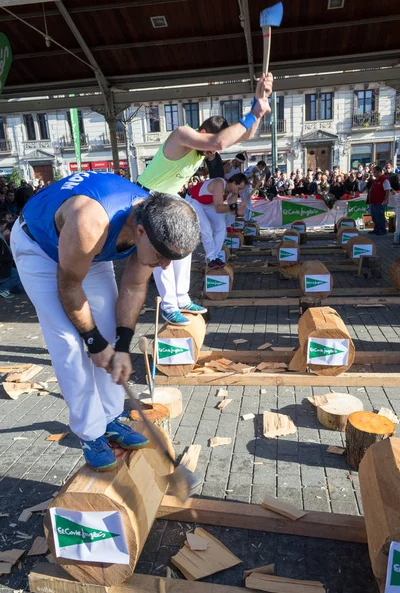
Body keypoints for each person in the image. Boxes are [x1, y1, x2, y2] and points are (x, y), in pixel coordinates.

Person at [11, 171, 201, 470]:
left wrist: (121, 345)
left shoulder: (151, 226)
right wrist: (93, 341)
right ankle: (90, 433)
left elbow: (134, 286)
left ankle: (111, 417)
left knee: (111, 333)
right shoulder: (90, 222)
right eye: (163, 256)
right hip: (40, 246)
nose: (165, 265)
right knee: (70, 346)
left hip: (90, 249)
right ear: (140, 232)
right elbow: (69, 287)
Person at [137, 73, 273, 325]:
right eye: (210, 149)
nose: (213, 154)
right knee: (162, 252)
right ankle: (168, 305)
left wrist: (259, 101)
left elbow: (243, 136)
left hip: (169, 198)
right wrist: (252, 112)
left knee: (185, 246)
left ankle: (182, 297)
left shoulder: (205, 147)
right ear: (202, 133)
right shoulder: (182, 134)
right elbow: (219, 140)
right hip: (146, 196)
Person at [186, 173, 248, 271]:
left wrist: (239, 210)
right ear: (233, 183)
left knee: (221, 228)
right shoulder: (219, 184)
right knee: (206, 230)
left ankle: (215, 256)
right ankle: (210, 259)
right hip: (194, 201)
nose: (239, 191)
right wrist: (235, 207)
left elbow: (232, 211)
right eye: (239, 188)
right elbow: (219, 208)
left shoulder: (233, 192)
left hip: (208, 203)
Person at [366, 165, 390, 235]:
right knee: (374, 216)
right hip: (373, 201)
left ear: (379, 172)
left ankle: (382, 230)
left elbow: (387, 190)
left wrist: (385, 200)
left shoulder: (384, 179)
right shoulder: (375, 180)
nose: (373, 174)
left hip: (380, 202)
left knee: (380, 216)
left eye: (374, 172)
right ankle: (376, 229)